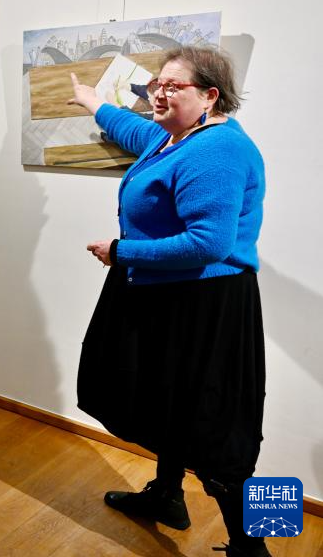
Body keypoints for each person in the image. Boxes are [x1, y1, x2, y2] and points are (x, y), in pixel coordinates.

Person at [69, 47, 268, 557]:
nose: (158, 92)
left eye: (173, 86)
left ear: (210, 95)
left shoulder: (218, 149)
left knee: (217, 426)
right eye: (157, 83)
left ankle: (254, 547)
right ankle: (166, 495)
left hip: (205, 305)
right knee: (168, 404)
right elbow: (134, 130)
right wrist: (93, 102)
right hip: (169, 295)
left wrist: (121, 252)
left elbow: (209, 243)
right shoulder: (175, 137)